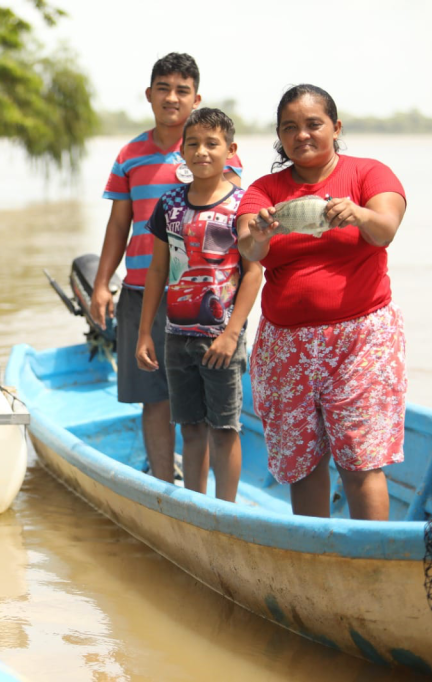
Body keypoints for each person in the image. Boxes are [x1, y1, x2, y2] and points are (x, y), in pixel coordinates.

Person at [235, 84, 407, 521]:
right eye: (290, 128)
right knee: (303, 464)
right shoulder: (263, 191)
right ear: (279, 135)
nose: (302, 135)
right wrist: (258, 234)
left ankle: (372, 563)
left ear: (336, 127)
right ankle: (315, 557)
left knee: (361, 461)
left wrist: (360, 214)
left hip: (361, 342)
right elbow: (248, 251)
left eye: (314, 124)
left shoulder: (370, 174)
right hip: (285, 347)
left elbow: (386, 228)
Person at [90, 53, 243, 483]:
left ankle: (212, 495)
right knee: (154, 397)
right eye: (164, 89)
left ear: (196, 98)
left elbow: (237, 216)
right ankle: (163, 484)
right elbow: (119, 222)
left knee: (211, 403)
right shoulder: (130, 154)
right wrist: (103, 284)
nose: (172, 98)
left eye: (182, 90)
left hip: (203, 298)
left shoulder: (213, 149)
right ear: (149, 95)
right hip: (142, 289)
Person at [135, 108, 261, 501]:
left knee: (224, 429)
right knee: (190, 429)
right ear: (181, 152)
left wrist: (231, 334)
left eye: (212, 144)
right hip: (177, 337)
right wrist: (144, 333)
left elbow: (253, 273)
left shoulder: (243, 205)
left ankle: (226, 512)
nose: (202, 152)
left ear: (231, 150)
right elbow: (157, 271)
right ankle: (195, 506)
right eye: (193, 144)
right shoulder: (169, 203)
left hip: (221, 339)